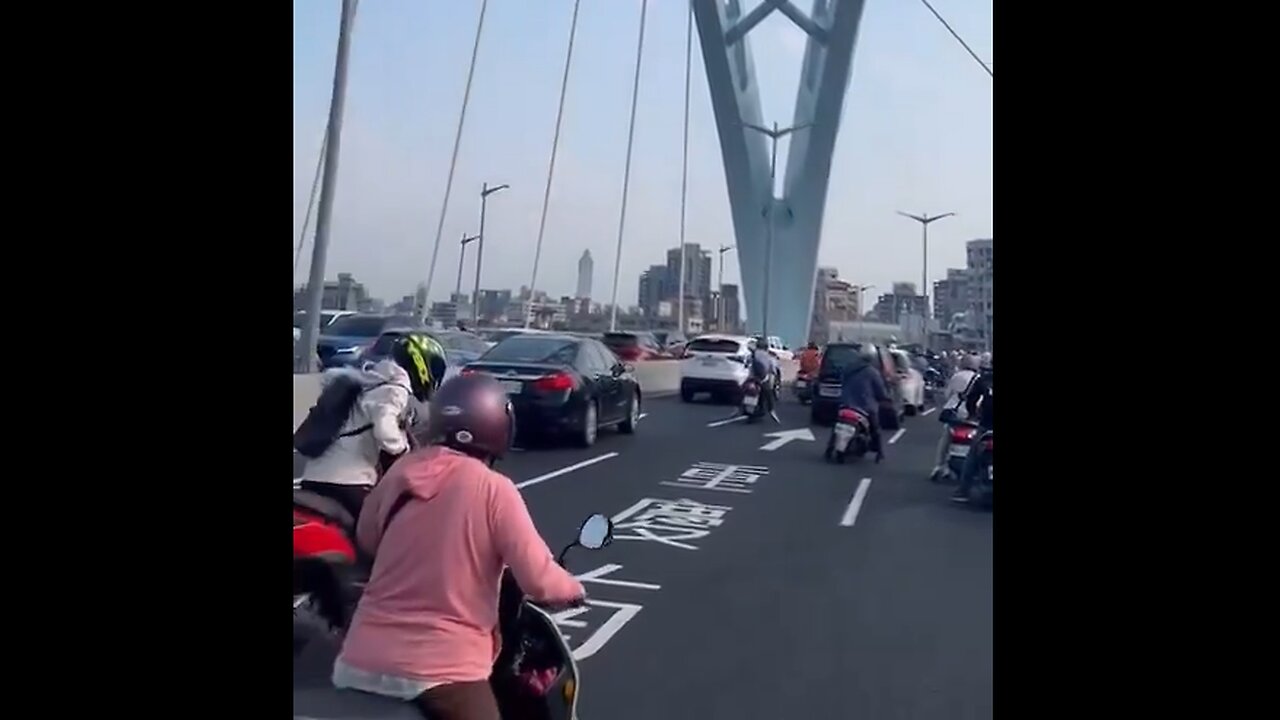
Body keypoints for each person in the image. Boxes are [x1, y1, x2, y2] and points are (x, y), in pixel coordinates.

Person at [332, 374, 586, 720]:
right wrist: (572, 589)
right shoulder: (494, 489)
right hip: (443, 669)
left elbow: (368, 539)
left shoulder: (401, 473)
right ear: (497, 423)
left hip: (359, 660)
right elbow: (540, 580)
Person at [298, 334, 447, 521]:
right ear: (420, 363)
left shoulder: (365, 381)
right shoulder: (395, 387)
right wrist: (403, 451)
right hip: (350, 483)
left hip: (313, 478)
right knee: (387, 528)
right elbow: (385, 429)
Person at [929, 353, 981, 479]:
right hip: (972, 415)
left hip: (955, 413)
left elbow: (948, 394)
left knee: (946, 439)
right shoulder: (979, 378)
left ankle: (939, 466)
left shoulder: (956, 376)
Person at [952, 353, 994, 503]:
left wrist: (972, 415)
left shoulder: (983, 378)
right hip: (987, 425)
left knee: (972, 456)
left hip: (986, 424)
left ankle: (963, 490)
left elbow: (970, 398)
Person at [838, 344, 891, 462]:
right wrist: (885, 398)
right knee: (875, 429)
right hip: (865, 407)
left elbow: (841, 381)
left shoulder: (848, 368)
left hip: (845, 403)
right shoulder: (873, 372)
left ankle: (829, 449)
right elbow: (880, 391)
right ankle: (879, 453)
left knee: (836, 424)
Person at [749, 335, 780, 413]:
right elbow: (772, 368)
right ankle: (771, 409)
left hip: (751, 377)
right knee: (768, 392)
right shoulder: (768, 356)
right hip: (762, 378)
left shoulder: (753, 353)